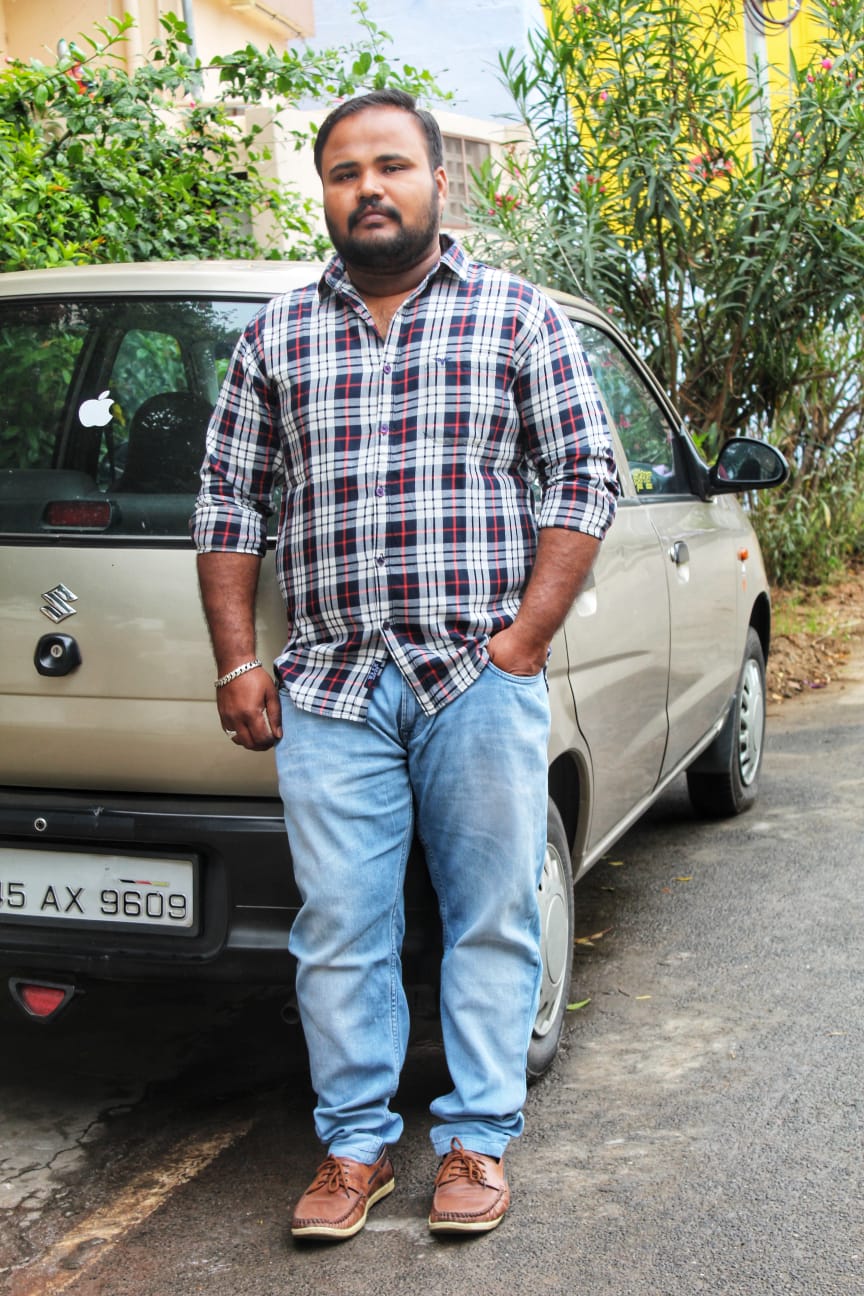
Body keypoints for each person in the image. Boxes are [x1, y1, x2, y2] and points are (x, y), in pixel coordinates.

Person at [192, 88, 619, 1241]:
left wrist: (523, 643)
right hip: (328, 685)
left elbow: (585, 476)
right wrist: (237, 663)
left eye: (391, 165)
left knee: (490, 913)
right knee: (340, 928)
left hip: (474, 677)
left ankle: (476, 1138)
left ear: (438, 180)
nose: (369, 188)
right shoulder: (278, 335)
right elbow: (229, 501)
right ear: (324, 194)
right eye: (345, 172)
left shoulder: (516, 316)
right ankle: (354, 1148)